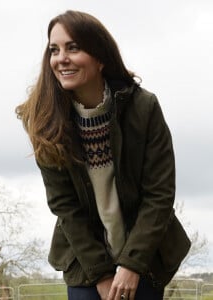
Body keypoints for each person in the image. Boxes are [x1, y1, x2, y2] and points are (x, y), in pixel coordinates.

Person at [16, 10, 191, 300]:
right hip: (85, 259)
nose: (61, 58)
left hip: (145, 254)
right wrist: (100, 273)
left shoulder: (143, 108)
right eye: (54, 50)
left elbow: (159, 194)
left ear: (100, 57)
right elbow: (64, 205)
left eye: (73, 47)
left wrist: (131, 264)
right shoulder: (44, 120)